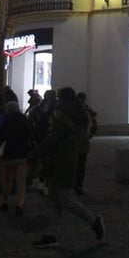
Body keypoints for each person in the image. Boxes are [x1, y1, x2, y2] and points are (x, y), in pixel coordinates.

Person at [27, 87, 105, 248]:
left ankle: (94, 221)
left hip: (62, 161)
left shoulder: (63, 117)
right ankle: (51, 234)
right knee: (53, 200)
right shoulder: (73, 115)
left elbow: (54, 139)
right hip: (64, 160)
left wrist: (35, 152)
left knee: (65, 199)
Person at [0, 99, 34, 216]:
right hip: (23, 155)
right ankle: (19, 205)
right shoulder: (25, 119)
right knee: (21, 182)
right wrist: (33, 153)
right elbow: (31, 137)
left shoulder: (7, 121)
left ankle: (5, 202)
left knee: (7, 180)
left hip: (9, 155)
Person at [75, 91, 98, 194]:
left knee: (75, 163)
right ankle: (78, 185)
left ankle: (72, 184)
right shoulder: (85, 110)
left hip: (74, 141)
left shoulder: (70, 110)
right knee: (81, 164)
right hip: (83, 140)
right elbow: (93, 124)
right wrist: (90, 134)